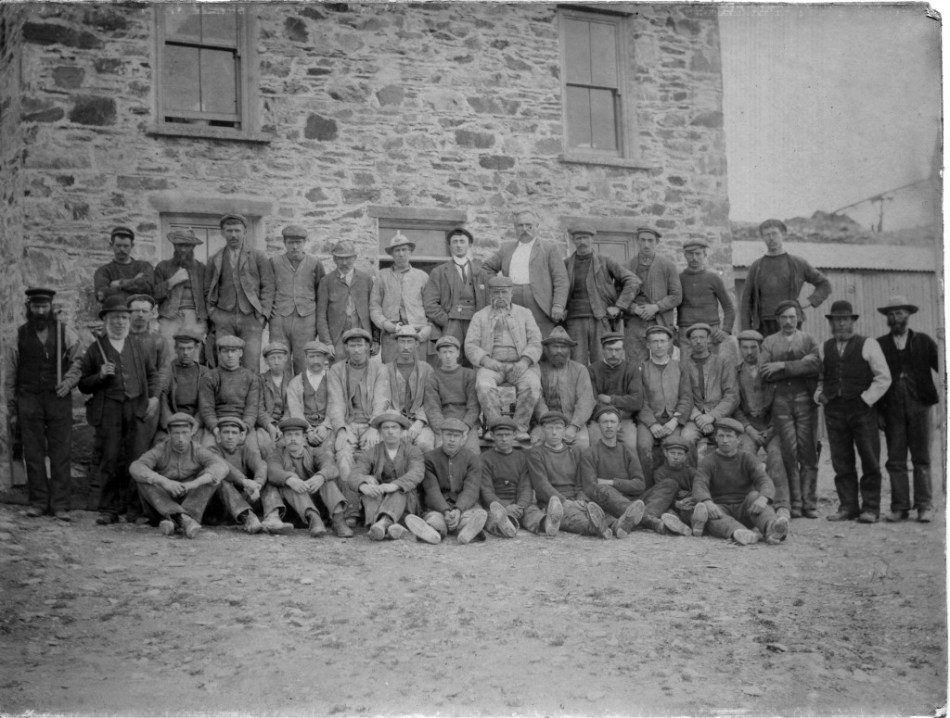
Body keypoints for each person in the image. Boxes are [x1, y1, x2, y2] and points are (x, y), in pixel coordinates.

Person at [77, 295, 161, 525]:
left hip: (136, 409)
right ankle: (109, 509)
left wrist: (153, 397)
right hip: (109, 411)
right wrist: (100, 376)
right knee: (110, 458)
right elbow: (83, 384)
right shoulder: (96, 349)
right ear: (106, 320)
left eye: (124, 317)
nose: (120, 322)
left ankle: (135, 509)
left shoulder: (138, 345)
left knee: (137, 459)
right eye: (115, 318)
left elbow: (153, 375)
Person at [3, 288, 84, 520]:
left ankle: (60, 504)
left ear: (51, 307)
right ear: (29, 308)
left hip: (58, 397)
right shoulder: (18, 336)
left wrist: (68, 382)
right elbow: (11, 374)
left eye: (44, 307)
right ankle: (38, 502)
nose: (40, 311)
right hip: (28, 399)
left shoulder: (65, 332)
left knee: (61, 451)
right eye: (36, 307)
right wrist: (12, 406)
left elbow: (79, 359)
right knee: (33, 452)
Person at [816, 300, 891, 524]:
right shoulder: (824, 347)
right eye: (836, 320)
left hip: (861, 411)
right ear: (831, 323)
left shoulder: (868, 345)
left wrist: (866, 399)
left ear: (852, 321)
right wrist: (819, 395)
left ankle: (870, 508)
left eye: (845, 320)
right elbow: (819, 378)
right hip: (834, 411)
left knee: (869, 458)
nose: (841, 324)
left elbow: (883, 377)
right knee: (841, 461)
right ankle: (847, 506)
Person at [579, 407, 692, 537]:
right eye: (604, 422)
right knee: (603, 489)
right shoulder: (589, 454)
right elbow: (590, 488)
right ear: (599, 425)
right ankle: (652, 522)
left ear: (619, 426)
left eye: (612, 422)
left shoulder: (627, 452)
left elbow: (640, 485)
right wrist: (612, 487)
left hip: (635, 501)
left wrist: (612, 482)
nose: (609, 426)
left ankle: (631, 520)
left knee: (671, 484)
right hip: (609, 503)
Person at [876, 295, 939, 524]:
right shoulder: (880, 345)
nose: (896, 318)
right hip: (891, 408)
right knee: (895, 460)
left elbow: (942, 365)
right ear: (887, 318)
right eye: (891, 314)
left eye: (900, 313)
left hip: (920, 406)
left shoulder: (923, 341)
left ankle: (924, 506)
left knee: (921, 458)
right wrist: (878, 412)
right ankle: (900, 506)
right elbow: (872, 379)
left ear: (908, 315)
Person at [758, 300, 820, 519]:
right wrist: (800, 367)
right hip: (781, 402)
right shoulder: (769, 342)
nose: (788, 321)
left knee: (809, 452)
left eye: (792, 317)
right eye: (783, 317)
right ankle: (795, 502)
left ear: (799, 318)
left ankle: (809, 503)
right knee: (789, 453)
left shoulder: (808, 339)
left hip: (806, 401)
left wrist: (783, 365)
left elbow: (815, 365)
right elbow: (765, 371)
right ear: (777, 320)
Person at [465, 275, 543, 443]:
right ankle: (496, 428)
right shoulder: (480, 316)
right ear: (490, 295)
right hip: (492, 366)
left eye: (504, 292)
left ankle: (520, 428)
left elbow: (536, 342)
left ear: (511, 293)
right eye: (496, 293)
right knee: (484, 386)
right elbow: (470, 345)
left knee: (532, 385)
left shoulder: (525, 314)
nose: (500, 297)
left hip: (521, 365)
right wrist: (487, 361)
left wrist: (524, 362)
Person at [129, 412, 229, 539]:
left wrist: (194, 483)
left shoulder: (198, 450)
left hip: (191, 500)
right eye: (176, 433)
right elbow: (136, 466)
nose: (181, 438)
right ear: (169, 434)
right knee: (143, 480)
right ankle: (182, 519)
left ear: (192, 432)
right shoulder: (160, 450)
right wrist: (164, 481)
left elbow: (221, 467)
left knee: (211, 478)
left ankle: (177, 521)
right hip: (165, 500)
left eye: (185, 432)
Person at [690, 417, 789, 545]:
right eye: (721, 436)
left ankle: (772, 529)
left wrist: (763, 498)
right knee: (709, 514)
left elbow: (764, 480)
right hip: (720, 509)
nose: (725, 440)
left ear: (738, 440)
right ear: (716, 438)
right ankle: (740, 532)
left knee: (755, 496)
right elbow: (699, 484)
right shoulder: (708, 461)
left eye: (729, 436)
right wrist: (708, 502)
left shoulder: (747, 458)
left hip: (746, 509)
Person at [327, 327, 387, 524]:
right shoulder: (337, 370)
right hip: (348, 424)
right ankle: (351, 509)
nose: (356, 350)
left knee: (373, 454)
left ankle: (374, 512)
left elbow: (381, 400)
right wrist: (342, 430)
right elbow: (335, 403)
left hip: (372, 424)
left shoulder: (380, 369)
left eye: (360, 345)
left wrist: (374, 427)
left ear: (368, 347)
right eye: (352, 345)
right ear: (345, 348)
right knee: (343, 454)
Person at [482, 208, 569, 338]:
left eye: (529, 225)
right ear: (515, 228)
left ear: (537, 227)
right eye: (520, 225)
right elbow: (486, 268)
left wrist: (558, 305)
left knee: (541, 338)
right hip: (513, 299)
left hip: (539, 301)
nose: (525, 229)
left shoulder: (549, 248)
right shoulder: (507, 249)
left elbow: (561, 279)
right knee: (514, 336)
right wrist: (500, 287)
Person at [205, 213, 275, 370]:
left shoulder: (258, 257)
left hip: (251, 319)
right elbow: (207, 290)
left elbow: (268, 286)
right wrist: (213, 314)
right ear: (223, 233)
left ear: (245, 232)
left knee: (251, 364)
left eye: (237, 230)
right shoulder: (215, 259)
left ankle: (252, 395)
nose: (233, 235)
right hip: (224, 318)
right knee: (225, 364)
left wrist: (263, 315)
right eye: (229, 231)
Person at [733, 329, 791, 521]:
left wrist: (772, 428)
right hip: (749, 425)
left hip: (772, 424)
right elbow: (735, 407)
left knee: (776, 456)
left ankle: (782, 505)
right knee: (746, 455)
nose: (749, 352)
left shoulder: (770, 371)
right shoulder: (735, 373)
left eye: (753, 348)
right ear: (740, 349)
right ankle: (749, 501)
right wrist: (748, 429)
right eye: (745, 348)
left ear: (760, 348)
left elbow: (781, 402)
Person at [527, 411, 612, 539]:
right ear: (543, 430)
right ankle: (595, 528)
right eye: (550, 428)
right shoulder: (536, 453)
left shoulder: (575, 451)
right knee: (573, 517)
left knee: (603, 509)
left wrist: (581, 499)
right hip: (554, 502)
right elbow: (541, 485)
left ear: (564, 430)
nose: (554, 432)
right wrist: (565, 502)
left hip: (576, 499)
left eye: (558, 428)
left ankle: (617, 525)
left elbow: (581, 481)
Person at [739, 219, 832, 336]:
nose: (771, 238)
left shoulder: (797, 263)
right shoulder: (756, 266)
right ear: (763, 238)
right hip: (764, 325)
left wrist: (810, 301)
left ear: (783, 234)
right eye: (767, 235)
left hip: (791, 322)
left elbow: (825, 284)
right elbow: (746, 301)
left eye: (775, 233)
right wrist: (746, 331)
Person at [562, 224, 638, 364]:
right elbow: (558, 287)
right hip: (574, 320)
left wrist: (619, 306)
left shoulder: (604, 261)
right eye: (578, 238)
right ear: (573, 240)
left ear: (592, 239)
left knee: (602, 361)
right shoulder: (566, 264)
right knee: (577, 364)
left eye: (585, 238)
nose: (582, 242)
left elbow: (632, 281)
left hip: (600, 318)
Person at [266, 417, 352, 538]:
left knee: (327, 480)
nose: (293, 439)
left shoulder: (315, 452)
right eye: (289, 435)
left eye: (297, 435)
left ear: (304, 437)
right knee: (289, 483)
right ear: (283, 438)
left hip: (316, 500)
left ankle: (339, 521)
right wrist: (290, 479)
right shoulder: (277, 454)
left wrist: (320, 477)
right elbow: (272, 472)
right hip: (295, 509)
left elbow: (331, 467)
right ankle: (314, 520)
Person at [208, 415, 294, 535]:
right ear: (218, 435)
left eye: (234, 433)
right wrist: (245, 482)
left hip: (246, 496)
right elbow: (226, 468)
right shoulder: (212, 451)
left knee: (268, 478)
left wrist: (258, 484)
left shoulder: (245, 450)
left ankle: (272, 517)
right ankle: (248, 519)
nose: (230, 437)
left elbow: (260, 465)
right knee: (222, 482)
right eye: (226, 432)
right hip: (223, 505)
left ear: (241, 436)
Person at [409, 418, 487, 544]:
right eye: (448, 435)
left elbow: (471, 489)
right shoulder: (429, 458)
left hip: (464, 505)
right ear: (441, 435)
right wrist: (445, 510)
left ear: (463, 438)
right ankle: (433, 531)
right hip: (438, 504)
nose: (452, 440)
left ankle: (467, 531)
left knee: (468, 517)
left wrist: (458, 509)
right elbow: (431, 489)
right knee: (436, 519)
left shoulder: (472, 459)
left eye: (456, 436)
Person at [349, 412, 425, 541]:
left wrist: (393, 485)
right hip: (379, 499)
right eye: (386, 428)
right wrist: (363, 484)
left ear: (401, 431)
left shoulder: (413, 451)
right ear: (380, 432)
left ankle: (382, 524)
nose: (390, 432)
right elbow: (355, 473)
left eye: (394, 427)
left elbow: (417, 472)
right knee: (371, 489)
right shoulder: (372, 452)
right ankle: (390, 528)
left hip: (405, 502)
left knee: (399, 490)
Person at [422, 227, 489, 365]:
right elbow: (430, 304)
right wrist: (446, 321)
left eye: (462, 241)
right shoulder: (439, 272)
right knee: (451, 362)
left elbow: (488, 302)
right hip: (451, 323)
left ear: (469, 245)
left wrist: (483, 322)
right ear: (449, 246)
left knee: (475, 361)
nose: (458, 245)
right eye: (455, 242)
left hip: (475, 323)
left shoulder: (481, 273)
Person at [635, 325, 692, 487]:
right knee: (643, 446)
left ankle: (676, 486)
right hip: (649, 421)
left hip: (673, 420)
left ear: (669, 344)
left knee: (674, 446)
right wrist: (652, 424)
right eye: (654, 342)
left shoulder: (680, 367)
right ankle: (646, 487)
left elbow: (686, 397)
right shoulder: (641, 368)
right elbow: (640, 400)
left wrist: (675, 420)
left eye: (662, 341)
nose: (659, 345)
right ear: (648, 345)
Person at [269, 224, 326, 376]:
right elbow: (267, 288)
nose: (294, 246)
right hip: (279, 318)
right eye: (290, 243)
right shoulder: (274, 262)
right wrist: (269, 308)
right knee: (279, 360)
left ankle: (303, 397)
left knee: (304, 360)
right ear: (284, 243)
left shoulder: (314, 263)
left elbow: (321, 292)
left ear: (305, 242)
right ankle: (282, 398)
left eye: (298, 243)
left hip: (306, 318)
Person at [624, 227, 682, 366]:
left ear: (657, 242)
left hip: (660, 321)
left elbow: (677, 295)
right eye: (643, 240)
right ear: (637, 241)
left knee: (662, 361)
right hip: (635, 324)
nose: (646, 244)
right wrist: (635, 309)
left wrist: (656, 307)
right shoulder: (627, 266)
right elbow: (618, 296)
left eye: (650, 241)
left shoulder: (667, 266)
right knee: (635, 365)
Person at [680, 323, 739, 459]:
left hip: (720, 416)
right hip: (694, 419)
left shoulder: (722, 362)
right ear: (689, 341)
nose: (698, 341)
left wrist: (712, 416)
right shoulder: (683, 366)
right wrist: (699, 418)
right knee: (686, 438)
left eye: (702, 337)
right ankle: (693, 478)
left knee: (728, 440)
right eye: (694, 338)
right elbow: (684, 397)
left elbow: (732, 396)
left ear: (708, 340)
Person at [371, 232, 431, 363]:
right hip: (391, 334)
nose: (401, 254)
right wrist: (385, 324)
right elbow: (374, 307)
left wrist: (428, 327)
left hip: (417, 332)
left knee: (418, 372)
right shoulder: (382, 276)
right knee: (391, 372)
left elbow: (431, 306)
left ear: (410, 252)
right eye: (397, 250)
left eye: (404, 250)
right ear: (391, 254)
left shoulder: (422, 276)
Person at [532, 326, 595, 448]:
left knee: (582, 443)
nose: (559, 351)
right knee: (536, 442)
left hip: (572, 420)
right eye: (555, 347)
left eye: (563, 347)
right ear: (548, 348)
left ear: (569, 349)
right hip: (544, 422)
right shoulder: (539, 369)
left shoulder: (580, 370)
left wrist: (574, 426)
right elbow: (537, 399)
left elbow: (585, 401)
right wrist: (548, 423)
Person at [677, 238, 737, 364]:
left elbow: (728, 307)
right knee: (686, 372)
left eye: (698, 254)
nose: (694, 258)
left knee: (711, 371)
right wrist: (672, 332)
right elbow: (669, 303)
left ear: (705, 255)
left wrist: (725, 330)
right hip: (686, 333)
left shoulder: (713, 278)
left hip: (711, 333)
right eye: (690, 254)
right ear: (685, 255)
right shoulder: (678, 279)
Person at [197, 335, 261, 452]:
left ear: (240, 353)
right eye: (226, 351)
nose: (230, 355)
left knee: (253, 453)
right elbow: (207, 409)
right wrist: (215, 428)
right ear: (220, 353)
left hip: (241, 425)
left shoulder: (251, 377)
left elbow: (252, 408)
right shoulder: (210, 377)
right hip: (218, 424)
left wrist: (245, 428)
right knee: (207, 453)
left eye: (234, 351)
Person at [127, 294, 173, 457]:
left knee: (141, 448)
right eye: (136, 310)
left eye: (144, 311)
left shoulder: (158, 341)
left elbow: (164, 371)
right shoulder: (119, 339)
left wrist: (154, 398)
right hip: (121, 399)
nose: (140, 314)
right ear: (128, 313)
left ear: (152, 314)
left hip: (148, 399)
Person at [479, 417, 538, 538]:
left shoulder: (522, 458)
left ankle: (546, 524)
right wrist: (505, 506)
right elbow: (486, 491)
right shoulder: (484, 459)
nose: (504, 439)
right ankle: (503, 528)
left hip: (517, 504)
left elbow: (525, 487)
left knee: (533, 513)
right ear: (492, 435)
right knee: (491, 516)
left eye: (507, 435)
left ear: (515, 435)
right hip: (496, 504)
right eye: (500, 435)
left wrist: (521, 506)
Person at [152, 227, 208, 356]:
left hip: (195, 318)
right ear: (174, 245)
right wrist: (171, 282)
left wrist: (207, 321)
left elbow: (209, 296)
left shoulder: (201, 269)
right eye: (179, 245)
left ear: (193, 247)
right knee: (168, 355)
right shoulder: (163, 266)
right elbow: (153, 296)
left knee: (193, 356)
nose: (183, 249)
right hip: (169, 317)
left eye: (187, 245)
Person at [378, 326, 435, 452]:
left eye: (409, 342)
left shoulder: (426, 369)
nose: (405, 346)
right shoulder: (385, 370)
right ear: (396, 344)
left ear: (416, 344)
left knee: (425, 444)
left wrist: (419, 423)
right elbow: (382, 401)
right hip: (393, 421)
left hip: (420, 423)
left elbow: (431, 401)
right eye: (402, 341)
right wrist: (398, 423)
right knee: (390, 446)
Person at [316, 240, 376, 358]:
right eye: (339, 258)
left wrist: (376, 339)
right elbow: (321, 315)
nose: (344, 262)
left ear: (355, 258)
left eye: (348, 258)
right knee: (339, 371)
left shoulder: (366, 279)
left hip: (362, 335)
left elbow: (374, 309)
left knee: (362, 371)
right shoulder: (326, 281)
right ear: (334, 259)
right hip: (338, 337)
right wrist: (327, 342)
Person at [424, 335, 480, 454]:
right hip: (443, 422)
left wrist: (465, 427)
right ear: (438, 355)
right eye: (444, 352)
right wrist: (443, 429)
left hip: (466, 422)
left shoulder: (469, 374)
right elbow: (432, 408)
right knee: (442, 451)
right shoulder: (433, 377)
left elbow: (474, 406)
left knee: (472, 452)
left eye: (451, 352)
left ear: (458, 353)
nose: (448, 356)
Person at [587, 332, 642, 452]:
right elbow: (592, 401)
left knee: (630, 445)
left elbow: (637, 400)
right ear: (602, 350)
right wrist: (608, 415)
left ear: (623, 351)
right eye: (609, 349)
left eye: (617, 350)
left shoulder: (632, 370)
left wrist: (610, 399)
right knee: (596, 445)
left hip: (625, 419)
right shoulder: (592, 370)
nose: (613, 354)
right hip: (599, 420)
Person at [160, 329, 208, 443]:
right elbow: (162, 398)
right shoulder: (168, 370)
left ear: (196, 348)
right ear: (176, 349)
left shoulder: (204, 372)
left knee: (201, 447)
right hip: (173, 420)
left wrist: (196, 423)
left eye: (189, 348)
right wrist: (171, 422)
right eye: (182, 348)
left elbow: (206, 402)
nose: (185, 352)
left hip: (196, 422)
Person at [285, 340, 334, 449]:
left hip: (328, 428)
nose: (315, 360)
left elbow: (336, 406)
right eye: (312, 357)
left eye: (319, 356)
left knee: (328, 453)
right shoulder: (295, 382)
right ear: (305, 358)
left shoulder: (333, 380)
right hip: (304, 429)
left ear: (325, 359)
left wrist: (324, 427)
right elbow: (295, 410)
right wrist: (309, 431)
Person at [93, 226, 154, 304]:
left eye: (126, 246)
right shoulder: (103, 271)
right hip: (115, 313)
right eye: (118, 246)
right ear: (111, 245)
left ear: (132, 246)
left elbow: (148, 288)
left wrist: (120, 284)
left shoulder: (144, 266)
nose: (122, 249)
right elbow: (102, 295)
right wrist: (135, 282)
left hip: (139, 313)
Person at [256, 341, 291, 455]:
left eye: (279, 358)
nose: (276, 362)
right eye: (272, 358)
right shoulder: (259, 380)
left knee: (290, 444)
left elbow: (291, 408)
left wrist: (282, 426)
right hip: (265, 425)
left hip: (287, 424)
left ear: (285, 359)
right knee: (265, 444)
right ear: (266, 361)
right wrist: (270, 426)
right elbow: (258, 408)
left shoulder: (293, 381)